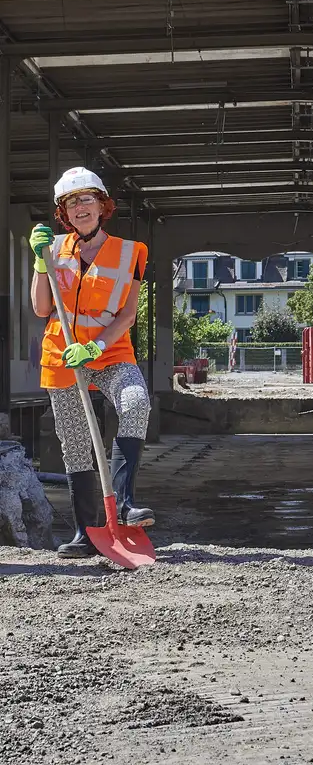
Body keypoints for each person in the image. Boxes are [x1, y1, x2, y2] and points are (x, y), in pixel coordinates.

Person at [29, 167, 155, 558]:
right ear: (63, 212)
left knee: (136, 403)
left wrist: (96, 347)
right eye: (71, 202)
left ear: (102, 205)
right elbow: (40, 308)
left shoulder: (131, 252)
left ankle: (124, 504)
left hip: (109, 351)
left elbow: (128, 315)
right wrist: (39, 263)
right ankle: (86, 533)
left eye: (87, 199)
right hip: (62, 356)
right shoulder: (54, 250)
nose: (80, 207)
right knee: (77, 446)